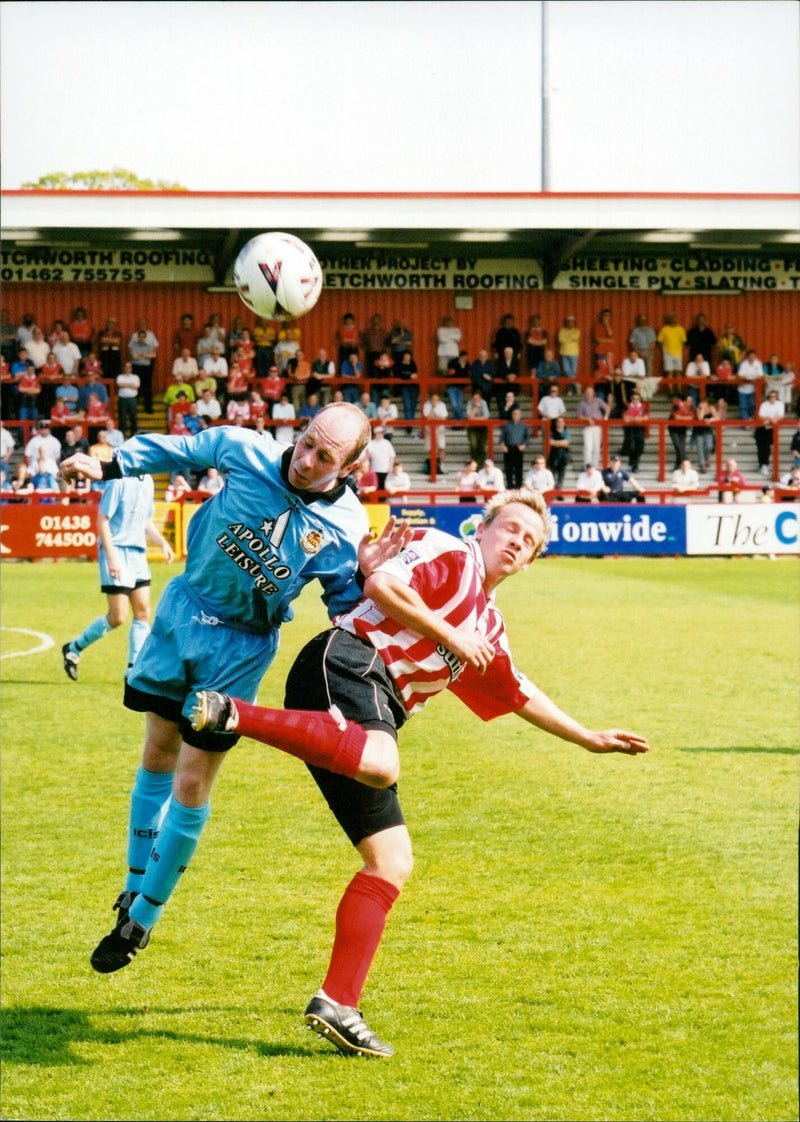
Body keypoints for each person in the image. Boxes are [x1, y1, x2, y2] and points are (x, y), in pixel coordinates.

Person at [189, 490, 650, 1057]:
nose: (516, 542)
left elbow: (515, 689)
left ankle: (337, 1002)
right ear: (481, 529)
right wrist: (448, 633)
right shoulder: (448, 552)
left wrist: (588, 737)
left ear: (529, 563)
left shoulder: (489, 623)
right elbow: (382, 584)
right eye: (509, 529)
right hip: (348, 661)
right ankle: (234, 714)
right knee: (382, 763)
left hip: (363, 718)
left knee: (392, 860)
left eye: (528, 542)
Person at [59, 403, 412, 978]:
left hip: (242, 648)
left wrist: (366, 576)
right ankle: (131, 885)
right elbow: (170, 450)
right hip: (183, 612)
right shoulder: (242, 449)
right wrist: (107, 464)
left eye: (325, 456)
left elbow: (345, 609)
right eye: (306, 442)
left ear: (348, 468)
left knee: (193, 779)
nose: (306, 459)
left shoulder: (345, 526)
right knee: (157, 752)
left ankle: (142, 918)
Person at [62, 475, 174, 680]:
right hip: (116, 551)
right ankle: (73, 648)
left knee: (142, 611)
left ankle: (132, 671)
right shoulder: (118, 482)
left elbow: (145, 519)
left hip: (137, 553)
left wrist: (162, 542)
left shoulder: (147, 481)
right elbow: (102, 519)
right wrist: (112, 556)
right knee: (118, 617)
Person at [576, 384, 608, 468]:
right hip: (587, 427)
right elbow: (579, 416)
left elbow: (607, 408)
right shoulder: (582, 403)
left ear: (593, 393)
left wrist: (605, 417)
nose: (589, 394)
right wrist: (587, 419)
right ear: (585, 393)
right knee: (588, 447)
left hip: (598, 426)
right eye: (587, 392)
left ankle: (595, 467)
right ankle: (587, 466)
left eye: (590, 392)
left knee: (597, 447)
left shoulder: (598, 400)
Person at [754, 389, 785, 476]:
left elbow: (781, 415)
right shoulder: (764, 404)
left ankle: (765, 465)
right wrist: (771, 419)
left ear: (777, 397)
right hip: (762, 428)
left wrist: (770, 420)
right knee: (761, 448)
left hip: (772, 429)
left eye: (774, 396)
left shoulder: (780, 404)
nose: (772, 398)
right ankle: (762, 465)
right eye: (770, 396)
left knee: (767, 447)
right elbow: (760, 415)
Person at [499, 406, 530, 490]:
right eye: (514, 414)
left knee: (518, 468)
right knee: (508, 468)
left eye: (517, 414)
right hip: (508, 448)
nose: (516, 415)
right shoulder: (507, 425)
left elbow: (527, 438)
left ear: (520, 415)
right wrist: (503, 445)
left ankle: (518, 486)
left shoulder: (524, 426)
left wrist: (524, 445)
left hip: (518, 448)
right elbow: (502, 437)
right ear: (512, 415)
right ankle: (509, 486)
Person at [129, 328, 157, 414]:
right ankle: (133, 409)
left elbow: (153, 355)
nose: (141, 338)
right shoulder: (134, 345)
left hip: (146, 367)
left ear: (145, 337)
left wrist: (141, 355)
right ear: (138, 337)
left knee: (147, 388)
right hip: (136, 367)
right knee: (135, 388)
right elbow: (134, 356)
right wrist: (146, 355)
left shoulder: (149, 345)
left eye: (143, 337)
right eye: (140, 337)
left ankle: (148, 408)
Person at [657, 313, 687, 389]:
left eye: (674, 318)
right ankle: (671, 391)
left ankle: (679, 390)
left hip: (678, 354)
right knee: (669, 372)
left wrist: (679, 349)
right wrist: (664, 350)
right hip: (667, 354)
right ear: (668, 320)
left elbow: (683, 342)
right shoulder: (664, 329)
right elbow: (659, 341)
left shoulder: (681, 329)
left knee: (678, 372)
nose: (673, 319)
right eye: (671, 318)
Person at [394, 350, 420, 434]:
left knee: (413, 406)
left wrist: (406, 375)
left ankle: (410, 423)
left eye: (408, 356)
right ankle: (409, 424)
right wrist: (409, 375)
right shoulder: (399, 364)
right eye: (405, 356)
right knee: (407, 405)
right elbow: (399, 374)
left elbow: (415, 375)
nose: (406, 357)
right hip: (404, 387)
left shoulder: (413, 364)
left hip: (414, 387)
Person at [620, 392, 647, 472]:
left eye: (637, 399)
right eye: (634, 399)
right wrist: (636, 419)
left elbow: (646, 417)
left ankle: (634, 462)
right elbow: (625, 417)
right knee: (632, 446)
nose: (635, 400)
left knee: (640, 447)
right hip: (630, 429)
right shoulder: (627, 406)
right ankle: (635, 465)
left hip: (639, 429)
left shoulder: (643, 407)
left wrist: (635, 419)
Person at [365, 426, 395, 498]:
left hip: (385, 469)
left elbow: (392, 456)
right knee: (376, 486)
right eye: (379, 433)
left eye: (381, 433)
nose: (380, 435)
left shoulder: (386, 443)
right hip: (375, 469)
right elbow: (368, 456)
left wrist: (390, 466)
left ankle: (383, 501)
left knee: (384, 486)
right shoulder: (371, 443)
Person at [422, 392, 448, 471]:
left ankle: (442, 464)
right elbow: (427, 418)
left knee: (442, 447)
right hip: (429, 429)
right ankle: (433, 465)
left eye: (436, 399)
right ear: (430, 399)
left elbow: (444, 418)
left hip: (440, 429)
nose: (435, 401)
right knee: (432, 448)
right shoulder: (426, 405)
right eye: (433, 399)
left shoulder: (442, 405)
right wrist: (433, 408)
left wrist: (434, 419)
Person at [668, 393, 695, 471]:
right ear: (684, 401)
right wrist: (686, 418)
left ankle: (677, 466)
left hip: (683, 428)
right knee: (678, 445)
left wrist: (682, 418)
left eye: (691, 401)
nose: (691, 402)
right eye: (689, 401)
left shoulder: (691, 407)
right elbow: (676, 417)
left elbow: (691, 418)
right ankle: (687, 463)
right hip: (673, 428)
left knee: (681, 447)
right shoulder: (676, 404)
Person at [692, 397, 719, 473]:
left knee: (709, 446)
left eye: (705, 403)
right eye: (702, 403)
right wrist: (702, 410)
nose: (703, 404)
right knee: (700, 447)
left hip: (708, 430)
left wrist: (711, 419)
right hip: (698, 430)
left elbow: (717, 417)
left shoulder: (711, 408)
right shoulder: (698, 409)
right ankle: (702, 464)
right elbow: (700, 418)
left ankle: (707, 459)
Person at [736, 349, 763, 421]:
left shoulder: (758, 363)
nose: (751, 358)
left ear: (755, 356)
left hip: (753, 389)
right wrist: (750, 378)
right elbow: (740, 375)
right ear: (747, 357)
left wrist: (750, 378)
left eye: (753, 356)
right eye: (750, 356)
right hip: (742, 388)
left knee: (752, 405)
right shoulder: (744, 364)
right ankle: (746, 421)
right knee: (743, 406)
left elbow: (761, 375)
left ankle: (750, 418)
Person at [465, 391, 490, 467]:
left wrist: (474, 418)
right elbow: (469, 417)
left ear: (480, 398)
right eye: (474, 398)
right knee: (473, 445)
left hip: (482, 427)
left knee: (482, 446)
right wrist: (475, 408)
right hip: (472, 427)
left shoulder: (483, 403)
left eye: (477, 398)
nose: (476, 400)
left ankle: (480, 464)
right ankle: (474, 462)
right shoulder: (470, 403)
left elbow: (486, 417)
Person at [444, 350, 470, 421]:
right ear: (461, 357)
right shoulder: (453, 362)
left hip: (460, 387)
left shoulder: (467, 364)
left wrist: (463, 367)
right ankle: (463, 420)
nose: (466, 359)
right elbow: (451, 373)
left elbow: (467, 376)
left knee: (459, 405)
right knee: (455, 405)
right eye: (465, 357)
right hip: (451, 386)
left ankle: (456, 422)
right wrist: (461, 368)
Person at [546, 416, 570, 491]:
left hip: (563, 456)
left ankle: (559, 491)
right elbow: (550, 442)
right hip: (554, 455)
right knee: (553, 474)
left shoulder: (566, 432)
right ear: (556, 423)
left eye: (561, 422)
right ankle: (552, 491)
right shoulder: (552, 432)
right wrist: (561, 442)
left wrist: (556, 443)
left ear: (564, 423)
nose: (560, 423)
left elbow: (567, 443)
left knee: (561, 475)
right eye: (558, 422)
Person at [557, 314, 580, 388]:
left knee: (573, 372)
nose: (570, 323)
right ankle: (577, 384)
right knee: (567, 371)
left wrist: (566, 338)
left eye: (572, 322)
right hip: (564, 352)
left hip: (574, 353)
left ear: (574, 323)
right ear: (566, 322)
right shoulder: (562, 330)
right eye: (569, 322)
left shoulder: (577, 331)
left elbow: (575, 338)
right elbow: (560, 340)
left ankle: (570, 390)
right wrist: (570, 339)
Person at [361, 314, 387, 379]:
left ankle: (381, 387)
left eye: (378, 320)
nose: (376, 321)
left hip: (380, 353)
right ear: (371, 321)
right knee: (370, 371)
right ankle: (372, 388)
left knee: (381, 371)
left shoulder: (383, 332)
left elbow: (387, 343)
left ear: (380, 321)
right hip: (370, 353)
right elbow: (363, 342)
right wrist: (366, 349)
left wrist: (384, 353)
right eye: (374, 320)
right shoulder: (367, 332)